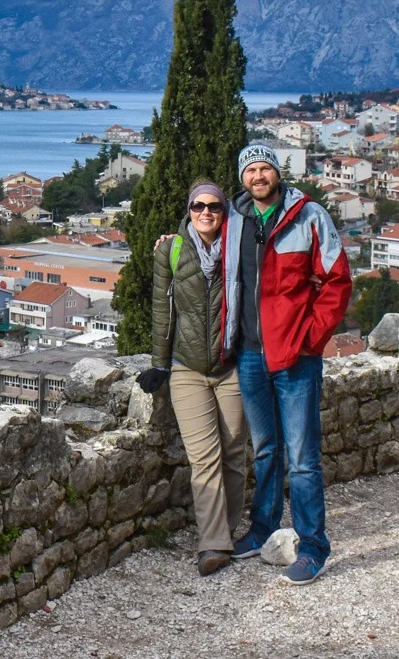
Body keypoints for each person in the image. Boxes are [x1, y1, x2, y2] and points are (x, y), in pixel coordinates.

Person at [228, 143, 352, 584]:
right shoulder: (233, 219)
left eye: (265, 169)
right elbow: (205, 252)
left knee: (301, 458)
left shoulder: (309, 216)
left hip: (295, 356)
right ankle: (263, 528)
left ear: (277, 174)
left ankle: (313, 545)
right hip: (249, 355)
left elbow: (338, 282)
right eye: (251, 170)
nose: (258, 176)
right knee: (264, 451)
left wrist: (311, 338)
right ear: (243, 178)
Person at [137, 180, 247, 575]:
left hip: (232, 366)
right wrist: (159, 363)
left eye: (214, 207)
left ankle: (228, 531)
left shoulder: (241, 247)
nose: (206, 212)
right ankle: (213, 544)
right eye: (198, 206)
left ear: (224, 211)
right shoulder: (172, 249)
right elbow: (161, 309)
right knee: (205, 457)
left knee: (235, 454)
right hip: (186, 368)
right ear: (189, 209)